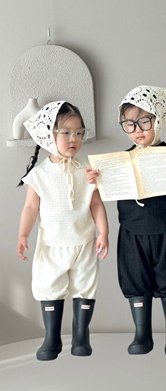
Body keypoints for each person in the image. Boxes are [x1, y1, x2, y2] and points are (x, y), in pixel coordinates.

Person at [86, 85, 166, 356]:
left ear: (159, 120)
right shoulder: (122, 159)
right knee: (134, 277)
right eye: (129, 124)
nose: (137, 130)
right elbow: (100, 194)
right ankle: (142, 334)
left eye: (145, 121)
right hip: (132, 231)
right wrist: (94, 181)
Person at [16, 101, 109, 361]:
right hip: (51, 246)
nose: (73, 139)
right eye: (66, 132)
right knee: (49, 287)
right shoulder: (39, 174)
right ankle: (52, 338)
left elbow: (96, 204)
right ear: (48, 136)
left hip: (84, 243)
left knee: (85, 287)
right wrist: (23, 235)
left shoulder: (87, 171)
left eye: (78, 133)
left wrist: (103, 233)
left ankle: (81, 336)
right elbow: (30, 207)